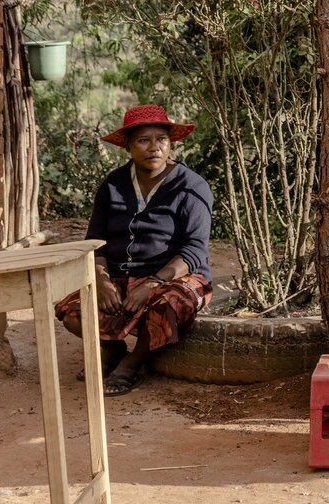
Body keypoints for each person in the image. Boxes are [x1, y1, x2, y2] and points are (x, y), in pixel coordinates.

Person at [54, 105, 214, 396]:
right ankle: (112, 349)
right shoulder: (113, 185)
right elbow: (96, 240)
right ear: (127, 145)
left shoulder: (191, 187)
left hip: (174, 277)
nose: (154, 147)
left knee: (167, 305)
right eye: (143, 140)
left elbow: (194, 250)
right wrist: (102, 281)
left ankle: (132, 363)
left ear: (170, 142)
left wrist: (154, 282)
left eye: (161, 139)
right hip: (118, 276)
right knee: (72, 311)